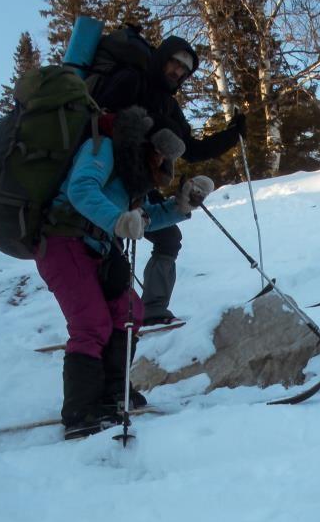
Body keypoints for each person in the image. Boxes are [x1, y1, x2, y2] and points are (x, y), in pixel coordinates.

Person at [38, 105, 214, 439]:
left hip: (100, 248)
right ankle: (81, 409)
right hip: (63, 241)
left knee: (128, 311)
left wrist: (180, 206)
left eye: (167, 155)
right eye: (159, 147)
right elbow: (82, 189)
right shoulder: (103, 147)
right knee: (91, 322)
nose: (161, 157)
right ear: (145, 139)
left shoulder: (136, 174)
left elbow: (145, 218)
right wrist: (118, 220)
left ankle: (113, 394)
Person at [94, 34, 247, 325]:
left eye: (184, 69)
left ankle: (152, 309)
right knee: (106, 252)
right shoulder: (131, 80)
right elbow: (103, 116)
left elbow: (192, 150)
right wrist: (153, 127)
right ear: (161, 58)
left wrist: (232, 135)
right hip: (107, 180)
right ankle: (103, 320)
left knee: (168, 238)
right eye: (174, 63)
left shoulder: (170, 105)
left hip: (141, 184)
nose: (177, 71)